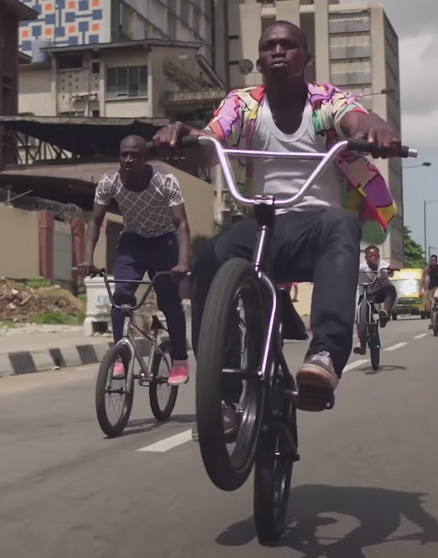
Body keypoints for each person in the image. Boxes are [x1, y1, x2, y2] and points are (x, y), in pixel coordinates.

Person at [154, 20, 403, 410]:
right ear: (260, 60)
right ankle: (224, 397)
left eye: (288, 45)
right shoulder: (243, 103)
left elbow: (358, 119)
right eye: (270, 46)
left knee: (341, 223)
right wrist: (184, 134)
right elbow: (211, 139)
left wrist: (379, 129)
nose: (278, 51)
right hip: (263, 227)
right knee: (208, 258)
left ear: (306, 59)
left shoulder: (326, 101)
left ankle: (323, 357)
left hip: (316, 230)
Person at [77, 135, 191, 384]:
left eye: (135, 155)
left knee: (170, 303)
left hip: (164, 243)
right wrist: (87, 259)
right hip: (133, 244)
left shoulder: (165, 181)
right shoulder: (109, 182)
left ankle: (181, 360)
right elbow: (95, 222)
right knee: (121, 298)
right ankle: (121, 355)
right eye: (124, 154)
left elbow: (181, 224)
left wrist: (182, 262)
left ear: (145, 158)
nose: (128, 159)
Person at [354, 245, 397, 355]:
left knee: (391, 289)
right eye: (371, 256)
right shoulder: (361, 268)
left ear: (378, 257)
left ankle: (385, 312)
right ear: (366, 257)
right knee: (360, 316)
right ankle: (361, 344)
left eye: (375, 256)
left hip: (380, 293)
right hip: (366, 294)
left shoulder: (382, 264)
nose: (373, 258)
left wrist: (391, 269)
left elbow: (389, 270)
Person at [420, 254, 438, 319]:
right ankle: (433, 320)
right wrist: (421, 290)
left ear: (437, 261)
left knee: (437, 297)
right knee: (431, 305)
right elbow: (423, 279)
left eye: (435, 260)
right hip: (431, 288)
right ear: (430, 261)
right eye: (432, 260)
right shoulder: (427, 268)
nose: (433, 261)